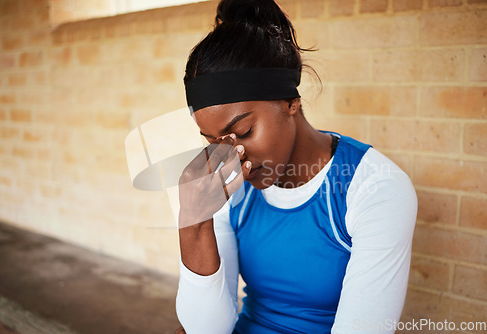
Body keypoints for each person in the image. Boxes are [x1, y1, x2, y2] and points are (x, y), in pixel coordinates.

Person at [174, 0, 417, 333]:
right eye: (214, 142)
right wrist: (193, 222)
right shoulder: (226, 187)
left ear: (290, 102)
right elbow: (206, 329)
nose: (230, 156)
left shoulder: (375, 186)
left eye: (243, 131)